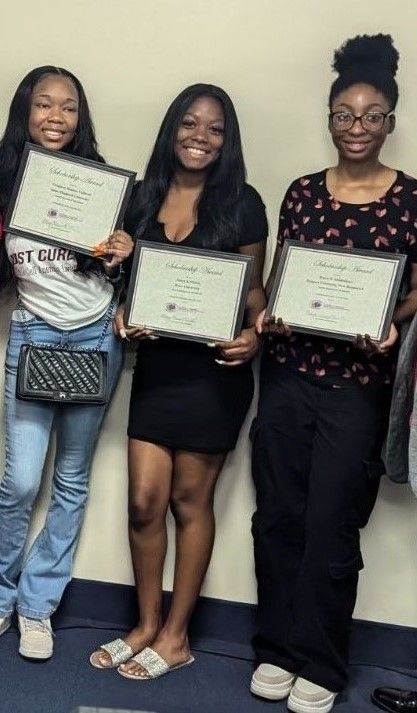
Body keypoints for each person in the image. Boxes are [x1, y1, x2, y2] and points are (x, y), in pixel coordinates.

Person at [250, 35, 417, 713]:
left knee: (330, 525)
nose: (355, 127)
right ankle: (274, 648)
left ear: (389, 123)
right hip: (288, 376)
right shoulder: (300, 193)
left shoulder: (410, 199)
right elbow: (275, 281)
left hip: (357, 388)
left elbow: (414, 290)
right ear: (328, 117)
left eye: (370, 115)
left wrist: (394, 321)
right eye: (343, 114)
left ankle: (320, 659)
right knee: (276, 519)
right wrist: (273, 315)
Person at [90, 83, 267, 678]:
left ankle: (176, 636)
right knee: (144, 502)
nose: (201, 136)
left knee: (190, 502)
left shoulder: (243, 204)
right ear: (173, 129)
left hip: (216, 375)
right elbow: (127, 284)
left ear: (227, 140)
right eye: (190, 123)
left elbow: (254, 295)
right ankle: (143, 624)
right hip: (158, 371)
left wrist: (257, 336)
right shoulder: (141, 199)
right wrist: (120, 309)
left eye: (215, 129)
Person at [0, 66, 133, 660]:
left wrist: (122, 253)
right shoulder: (5, 184)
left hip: (94, 338)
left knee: (71, 482)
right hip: (32, 335)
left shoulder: (99, 186)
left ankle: (37, 606)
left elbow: (115, 269)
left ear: (81, 118)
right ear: (24, 113)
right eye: (43, 105)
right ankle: (2, 595)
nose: (56, 118)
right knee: (20, 482)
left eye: (69, 108)